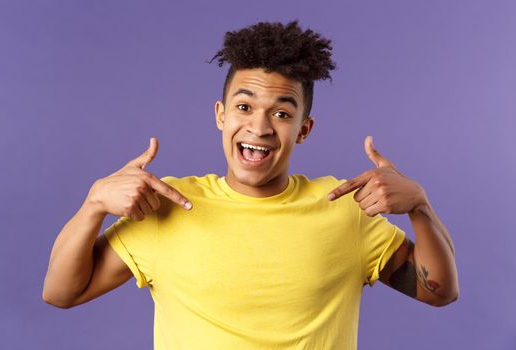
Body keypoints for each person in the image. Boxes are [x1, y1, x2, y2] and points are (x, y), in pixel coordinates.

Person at [43, 21, 459, 350]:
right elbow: (62, 293)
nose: (258, 127)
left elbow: (437, 291)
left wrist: (419, 206)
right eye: (244, 107)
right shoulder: (167, 204)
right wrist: (93, 204)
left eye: (281, 113)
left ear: (304, 129)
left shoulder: (345, 207)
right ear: (221, 115)